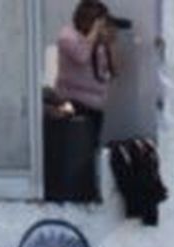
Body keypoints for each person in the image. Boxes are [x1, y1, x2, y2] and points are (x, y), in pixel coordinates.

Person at [52, 1, 124, 186]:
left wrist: (110, 44)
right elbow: (81, 56)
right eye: (100, 21)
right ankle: (74, 188)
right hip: (74, 105)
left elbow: (115, 71)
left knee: (91, 153)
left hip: (96, 107)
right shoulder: (67, 36)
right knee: (76, 154)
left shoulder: (97, 42)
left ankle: (87, 186)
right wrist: (93, 34)